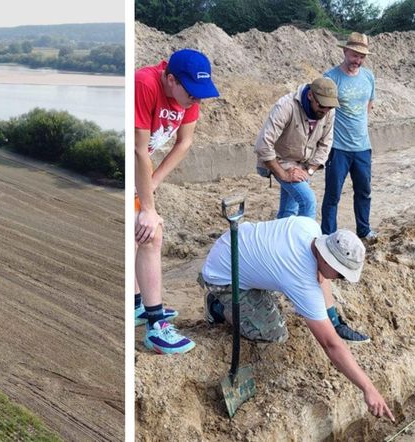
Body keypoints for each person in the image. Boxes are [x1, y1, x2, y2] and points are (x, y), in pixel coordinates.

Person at [200, 216, 394, 421]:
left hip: (232, 243)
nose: (341, 279)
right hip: (222, 274)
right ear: (327, 259)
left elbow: (322, 277)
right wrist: (368, 388)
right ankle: (217, 306)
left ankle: (248, 290)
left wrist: (334, 321)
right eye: (341, 274)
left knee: (299, 282)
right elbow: (330, 344)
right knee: (274, 332)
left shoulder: (310, 228)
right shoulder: (300, 279)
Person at [135, 49, 220, 354]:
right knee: (150, 234)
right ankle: (156, 326)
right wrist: (146, 206)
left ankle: (136, 304)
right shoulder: (144, 85)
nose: (195, 101)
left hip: (138, 173)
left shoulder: (188, 98)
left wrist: (152, 185)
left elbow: (185, 142)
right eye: (191, 93)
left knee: (138, 237)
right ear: (170, 80)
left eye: (200, 95)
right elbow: (138, 150)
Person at [255, 77, 338, 219]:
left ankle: (281, 239)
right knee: (308, 202)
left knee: (289, 211)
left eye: (329, 107)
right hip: (281, 161)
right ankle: (305, 239)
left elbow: (326, 143)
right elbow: (263, 144)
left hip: (304, 164)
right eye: (322, 105)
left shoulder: (329, 111)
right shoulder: (286, 106)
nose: (325, 110)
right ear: (310, 95)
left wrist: (309, 170)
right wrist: (283, 174)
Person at [321, 32, 377, 242]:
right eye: (354, 55)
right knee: (333, 194)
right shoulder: (331, 78)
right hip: (338, 148)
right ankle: (328, 234)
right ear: (345, 51)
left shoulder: (368, 76)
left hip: (362, 146)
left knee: (364, 191)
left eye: (362, 57)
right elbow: (323, 112)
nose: (358, 61)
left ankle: (364, 229)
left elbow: (369, 104)